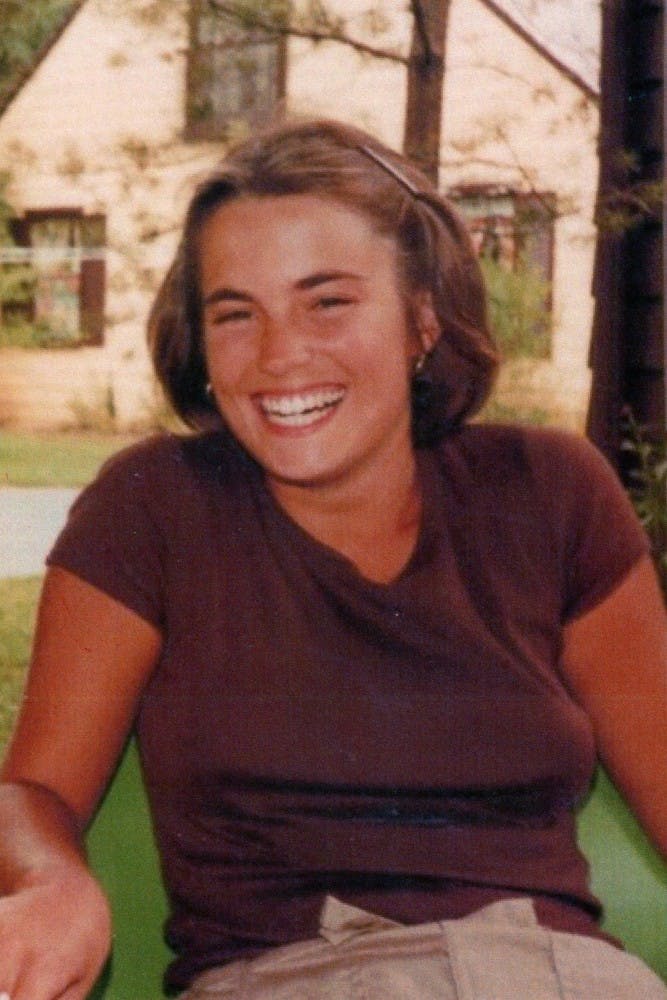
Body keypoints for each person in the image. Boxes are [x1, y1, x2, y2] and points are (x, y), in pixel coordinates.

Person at [0, 118, 665, 1000]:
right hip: (293, 975)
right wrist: (52, 881)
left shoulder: (550, 491)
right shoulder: (153, 507)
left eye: (327, 302)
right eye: (236, 314)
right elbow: (34, 791)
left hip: (563, 976)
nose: (280, 355)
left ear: (421, 319)